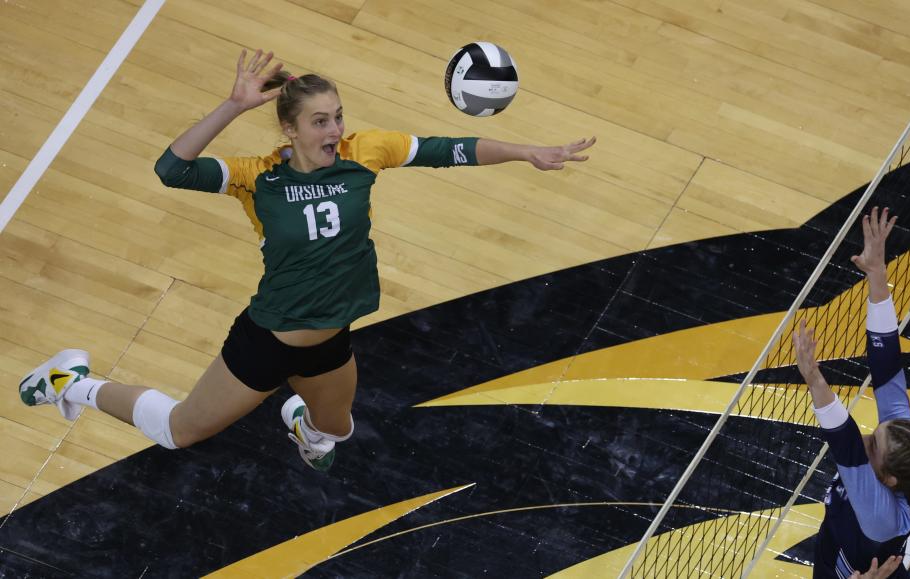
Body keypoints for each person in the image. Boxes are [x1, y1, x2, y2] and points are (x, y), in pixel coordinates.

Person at [18, 48, 596, 471]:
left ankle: (299, 420)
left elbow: (455, 149)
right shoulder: (256, 178)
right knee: (177, 432)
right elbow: (173, 168)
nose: (335, 130)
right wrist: (233, 105)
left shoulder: (363, 153)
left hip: (331, 339)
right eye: (321, 122)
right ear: (290, 129)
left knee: (334, 431)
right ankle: (73, 380)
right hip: (266, 342)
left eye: (338, 116)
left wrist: (528, 152)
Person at [793, 207, 910, 578]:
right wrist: (877, 274)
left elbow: (847, 443)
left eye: (874, 447)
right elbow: (887, 364)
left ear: (889, 481)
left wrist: (815, 378)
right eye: (877, 435)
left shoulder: (879, 515)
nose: (871, 435)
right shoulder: (899, 448)